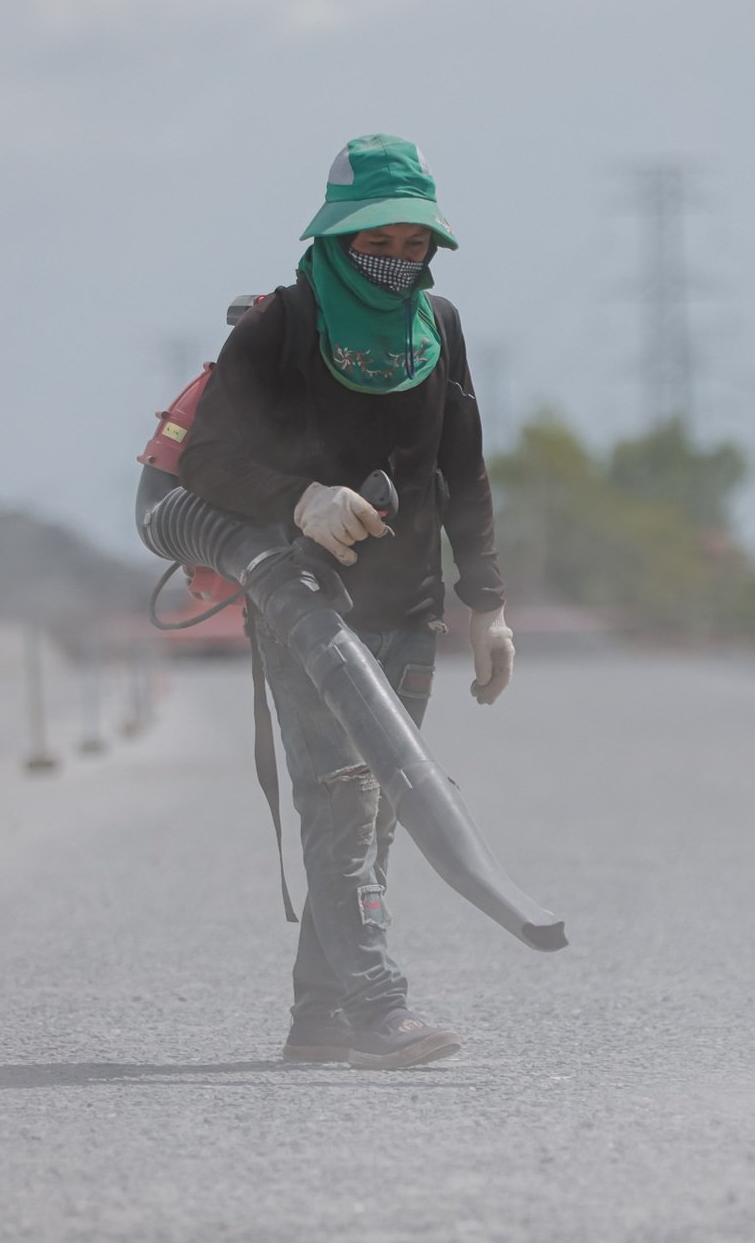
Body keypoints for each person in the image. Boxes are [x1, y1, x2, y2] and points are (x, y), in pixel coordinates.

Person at [178, 134, 515, 1070]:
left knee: (383, 807)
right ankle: (377, 1005)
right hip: (302, 600)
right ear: (337, 234)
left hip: (409, 608)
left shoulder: (439, 328)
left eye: (417, 245)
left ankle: (318, 1013)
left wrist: (486, 605)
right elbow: (204, 462)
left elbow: (465, 473)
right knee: (339, 798)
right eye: (382, 239)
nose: (400, 260)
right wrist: (299, 499)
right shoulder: (278, 330)